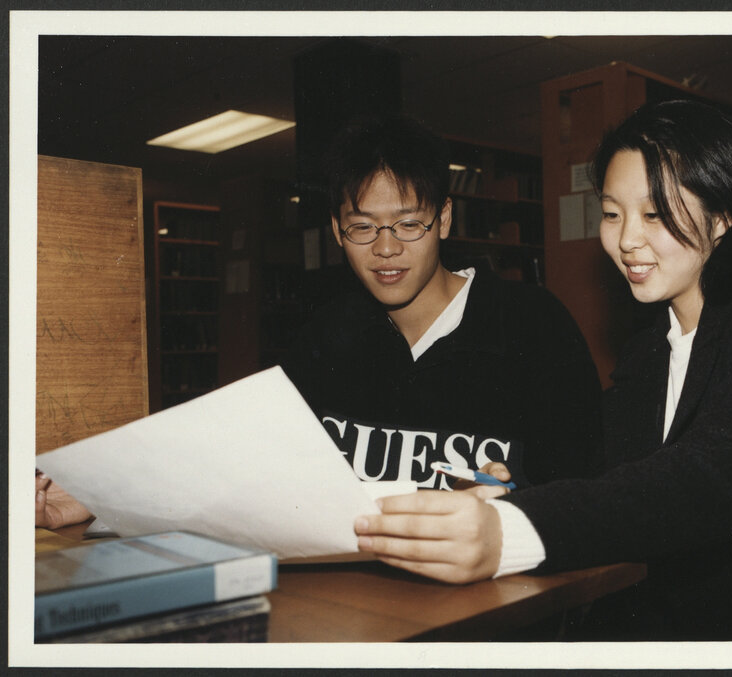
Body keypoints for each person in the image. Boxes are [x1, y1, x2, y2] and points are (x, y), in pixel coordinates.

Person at [352, 100, 732, 640]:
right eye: (612, 214)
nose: (626, 240)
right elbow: (608, 471)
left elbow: (723, 472)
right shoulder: (651, 349)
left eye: (655, 214)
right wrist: (512, 485)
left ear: (723, 215)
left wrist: (513, 530)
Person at [36, 114, 604, 530]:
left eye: (409, 224)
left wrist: (517, 502)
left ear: (444, 219)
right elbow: (232, 454)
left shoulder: (533, 327)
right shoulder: (323, 339)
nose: (386, 249)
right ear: (337, 231)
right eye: (363, 227)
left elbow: (587, 490)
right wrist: (102, 495)